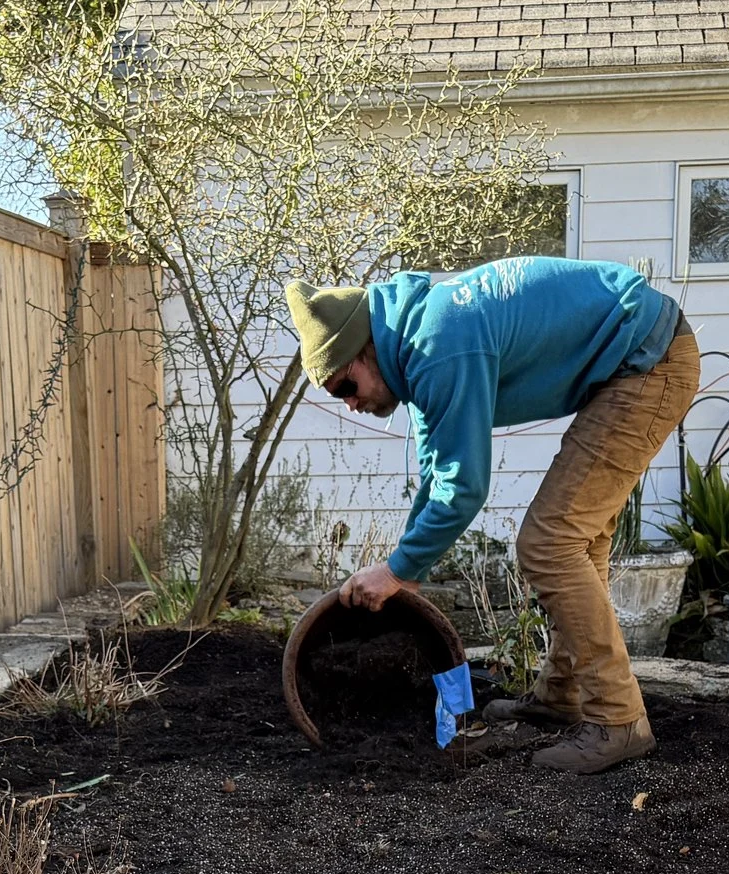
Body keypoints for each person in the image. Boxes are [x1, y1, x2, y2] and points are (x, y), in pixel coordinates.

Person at [286, 258, 696, 774]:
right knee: (578, 541)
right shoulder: (418, 349)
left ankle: (619, 719)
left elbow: (464, 488)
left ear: (366, 349)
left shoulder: (437, 343)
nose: (349, 404)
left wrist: (395, 571)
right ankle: (564, 695)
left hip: (649, 363)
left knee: (550, 543)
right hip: (629, 366)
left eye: (344, 386)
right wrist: (406, 571)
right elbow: (437, 476)